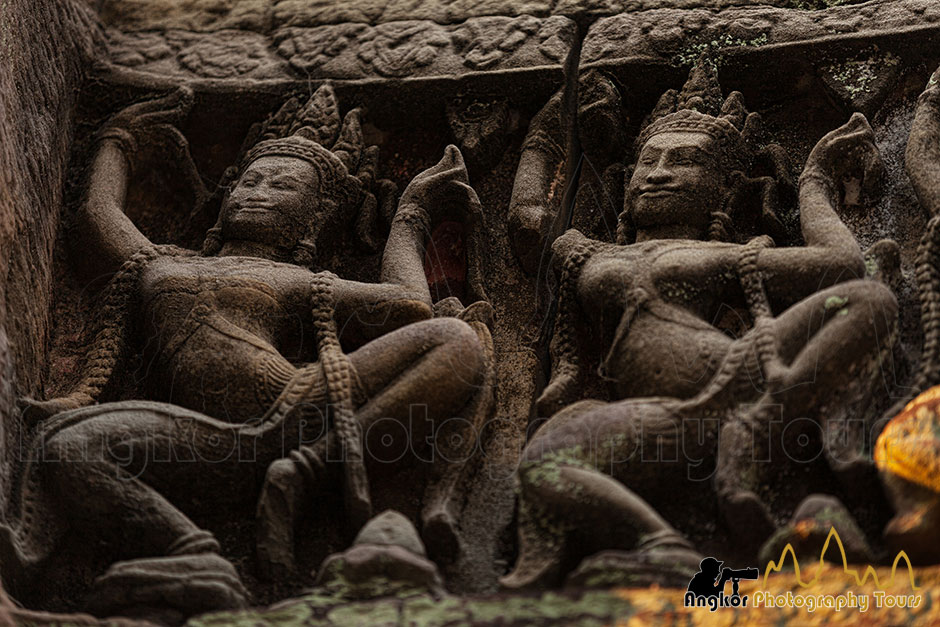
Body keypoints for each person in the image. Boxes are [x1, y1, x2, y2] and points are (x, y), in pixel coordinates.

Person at [4, 84, 489, 617]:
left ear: (316, 214)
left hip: (297, 406)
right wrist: (117, 138)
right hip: (214, 440)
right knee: (67, 447)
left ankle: (310, 472)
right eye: (251, 180)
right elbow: (97, 215)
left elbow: (407, 306)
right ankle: (194, 556)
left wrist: (411, 217)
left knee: (458, 339)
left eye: (283, 185)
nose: (258, 191)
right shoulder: (160, 261)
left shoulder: (300, 280)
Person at [500, 63, 897, 589]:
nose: (659, 172)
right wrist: (545, 131)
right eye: (650, 161)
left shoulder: (729, 254)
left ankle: (754, 435)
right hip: (668, 413)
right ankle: (664, 548)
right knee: (543, 464)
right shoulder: (583, 252)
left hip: (749, 376)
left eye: (684, 161)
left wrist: (815, 178)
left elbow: (840, 266)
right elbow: (526, 220)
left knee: (868, 297)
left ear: (724, 187)